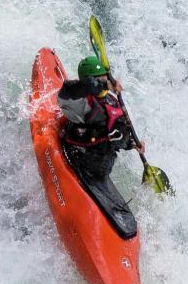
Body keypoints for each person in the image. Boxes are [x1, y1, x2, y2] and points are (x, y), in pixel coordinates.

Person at [56, 54, 138, 186]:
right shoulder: (77, 98)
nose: (103, 79)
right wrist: (103, 84)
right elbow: (71, 90)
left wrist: (131, 144)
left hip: (99, 166)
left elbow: (117, 135)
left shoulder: (112, 102)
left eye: (104, 76)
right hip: (75, 151)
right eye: (98, 78)